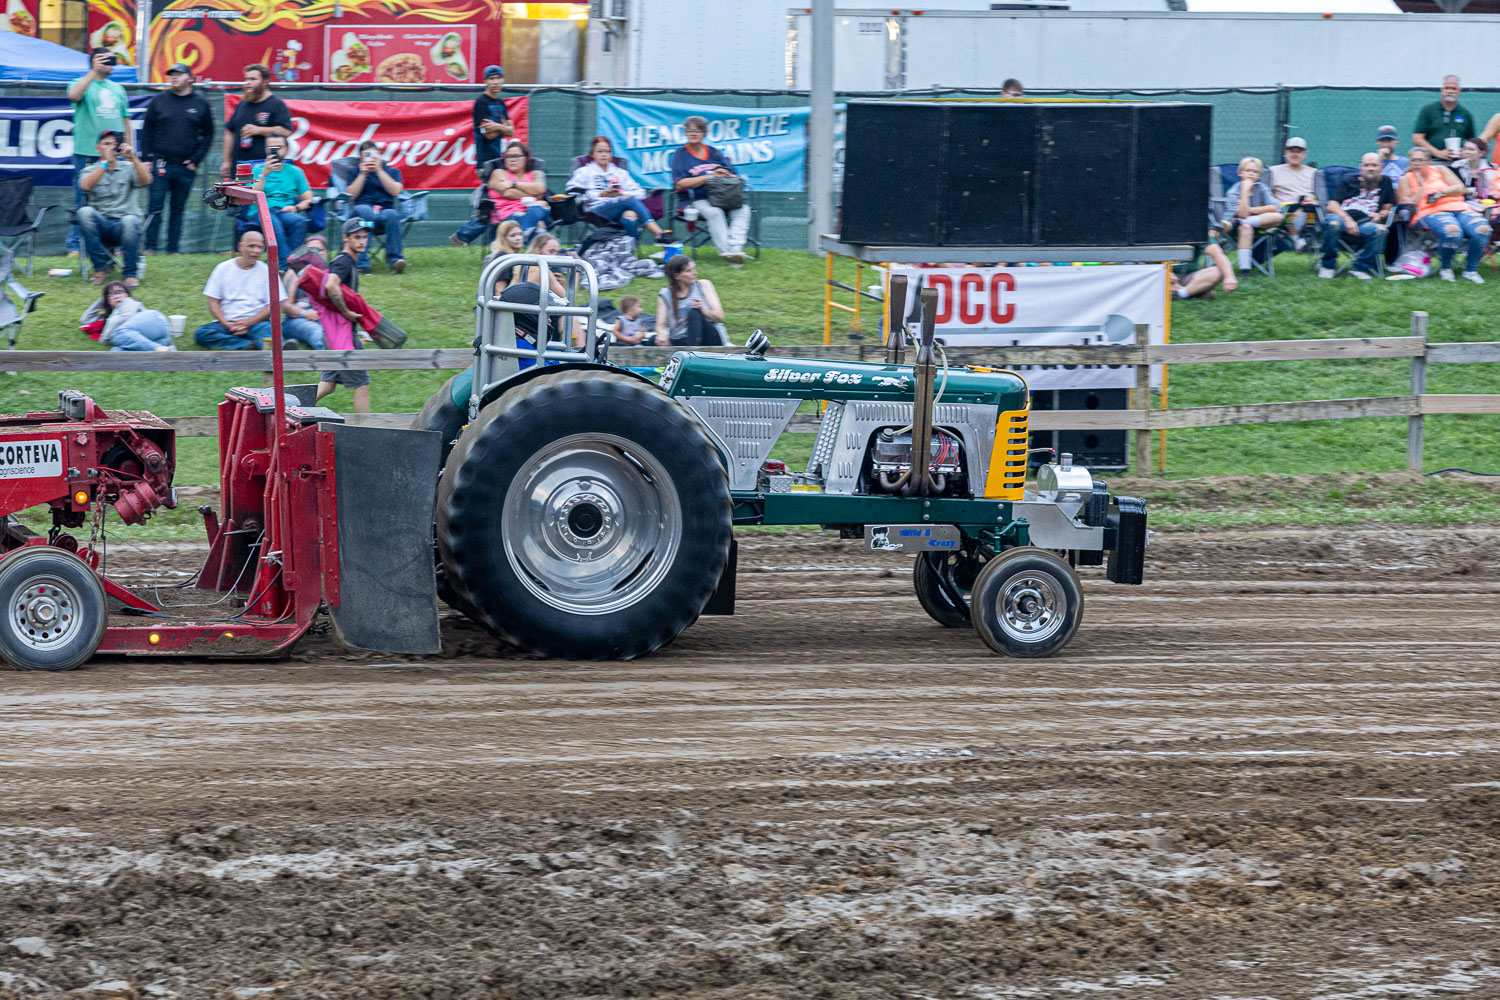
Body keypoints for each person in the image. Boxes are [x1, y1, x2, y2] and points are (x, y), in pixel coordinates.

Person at [194, 229, 324, 349]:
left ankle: (277, 349)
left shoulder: (267, 271)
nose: (256, 251)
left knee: (269, 335)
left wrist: (248, 323)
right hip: (226, 323)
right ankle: (246, 345)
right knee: (202, 333)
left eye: (260, 247)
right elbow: (213, 302)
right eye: (251, 246)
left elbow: (275, 305)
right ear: (240, 247)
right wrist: (227, 324)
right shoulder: (222, 268)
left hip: (258, 323)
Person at [141, 62, 214, 255]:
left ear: (190, 78)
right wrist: (147, 159)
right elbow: (147, 131)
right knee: (154, 207)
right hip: (160, 163)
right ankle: (150, 247)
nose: (174, 77)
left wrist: (195, 160)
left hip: (185, 167)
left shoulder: (200, 104)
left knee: (178, 209)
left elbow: (208, 135)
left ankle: (173, 249)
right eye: (171, 74)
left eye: (179, 74)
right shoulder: (159, 100)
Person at [67, 47, 132, 257]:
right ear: (93, 62)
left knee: (118, 199)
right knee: (82, 199)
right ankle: (75, 246)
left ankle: (117, 245)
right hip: (87, 152)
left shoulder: (118, 88)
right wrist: (93, 72)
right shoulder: (83, 83)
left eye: (111, 59)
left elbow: (125, 120)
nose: (108, 62)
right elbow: (74, 95)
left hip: (114, 154)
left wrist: (129, 148)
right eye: (103, 59)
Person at [1398, 146, 1490, 284]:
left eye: (1421, 160)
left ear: (1428, 161)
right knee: (1452, 231)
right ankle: (1445, 268)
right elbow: (1406, 203)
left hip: (1459, 208)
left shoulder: (1440, 169)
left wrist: (1442, 193)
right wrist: (1422, 187)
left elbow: (1460, 188)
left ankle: (1471, 270)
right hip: (1428, 212)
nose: (1417, 163)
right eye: (1413, 160)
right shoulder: (1405, 178)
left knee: (1483, 229)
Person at [670, 115, 751, 266]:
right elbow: (679, 184)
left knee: (743, 209)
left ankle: (735, 248)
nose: (693, 134)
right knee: (714, 212)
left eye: (697, 131)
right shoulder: (680, 154)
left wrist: (724, 173)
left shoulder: (714, 152)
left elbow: (733, 175)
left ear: (704, 134)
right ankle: (731, 256)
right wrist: (708, 177)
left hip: (722, 197)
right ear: (685, 133)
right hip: (695, 199)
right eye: (690, 130)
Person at [77, 130, 150, 287]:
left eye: (114, 144)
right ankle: (100, 270)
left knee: (131, 220)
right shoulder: (90, 170)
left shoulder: (129, 167)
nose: (111, 147)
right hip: (101, 226)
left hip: (124, 225)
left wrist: (133, 157)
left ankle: (130, 274)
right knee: (84, 212)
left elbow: (146, 181)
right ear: (98, 149)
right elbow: (86, 186)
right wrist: (105, 164)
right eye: (107, 144)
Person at [567, 136, 671, 242]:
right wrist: (600, 194)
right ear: (592, 154)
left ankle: (629, 252)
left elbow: (641, 193)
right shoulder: (584, 171)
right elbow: (573, 191)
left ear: (611, 155)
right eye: (600, 151)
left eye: (607, 152)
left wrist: (620, 195)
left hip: (620, 208)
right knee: (628, 200)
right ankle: (658, 234)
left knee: (630, 216)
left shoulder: (620, 172)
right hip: (596, 211)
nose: (604, 155)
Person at [1318, 152, 1394, 280]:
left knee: (1381, 230)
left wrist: (1380, 215)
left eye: (1374, 165)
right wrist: (1347, 219)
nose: (1370, 168)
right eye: (1367, 165)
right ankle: (1328, 266)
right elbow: (1331, 205)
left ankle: (1360, 267)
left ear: (1381, 167)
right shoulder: (1349, 181)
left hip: (1365, 223)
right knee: (1333, 224)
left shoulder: (1386, 182)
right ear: (1361, 167)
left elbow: (1387, 208)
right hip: (1342, 218)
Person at [220, 63, 292, 181]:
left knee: (260, 199)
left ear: (265, 82)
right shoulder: (242, 104)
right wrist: (225, 161)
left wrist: (258, 130)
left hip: (264, 168)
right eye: (246, 79)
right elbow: (230, 132)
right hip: (240, 167)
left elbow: (286, 131)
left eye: (253, 79)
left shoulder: (276, 105)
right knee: (237, 199)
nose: (248, 82)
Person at [346, 139, 407, 273]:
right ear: (361, 157)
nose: (370, 158)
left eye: (373, 154)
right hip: (361, 216)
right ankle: (362, 265)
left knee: (392, 214)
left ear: (380, 155)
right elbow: (351, 195)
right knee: (365, 210)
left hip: (382, 217)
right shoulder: (355, 173)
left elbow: (396, 191)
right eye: (366, 155)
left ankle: (395, 261)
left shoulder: (392, 172)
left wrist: (379, 170)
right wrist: (363, 174)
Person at [250, 135, 314, 251]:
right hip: (260, 210)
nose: (275, 151)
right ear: (266, 150)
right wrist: (264, 174)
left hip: (284, 211)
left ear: (286, 149)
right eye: (271, 148)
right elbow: (252, 196)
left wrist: (295, 208)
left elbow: (308, 199)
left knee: (299, 222)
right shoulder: (257, 170)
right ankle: (284, 266)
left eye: (278, 147)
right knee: (275, 225)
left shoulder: (295, 172)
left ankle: (293, 262)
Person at [1219, 156, 1282, 274]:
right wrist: (1244, 192)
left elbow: (1275, 207)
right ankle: (1245, 270)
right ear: (1240, 173)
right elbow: (1241, 214)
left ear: (1258, 176)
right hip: (1234, 226)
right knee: (1246, 228)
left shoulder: (1262, 188)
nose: (1251, 174)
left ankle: (1246, 222)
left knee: (1278, 217)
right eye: (1248, 171)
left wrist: (1251, 209)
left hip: (1254, 222)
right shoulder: (1234, 191)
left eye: (1255, 172)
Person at [79, 280, 175, 351]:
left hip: (155, 321)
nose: (116, 296)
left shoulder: (129, 302)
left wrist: (105, 338)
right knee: (116, 351)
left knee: (117, 335)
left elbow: (126, 317)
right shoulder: (113, 316)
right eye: (111, 295)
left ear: (127, 294)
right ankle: (165, 349)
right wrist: (103, 299)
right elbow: (86, 319)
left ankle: (158, 349)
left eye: (119, 292)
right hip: (154, 336)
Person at [654, 256, 728, 347]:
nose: (695, 273)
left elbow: (720, 317)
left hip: (708, 339)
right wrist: (662, 334)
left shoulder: (703, 285)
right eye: (689, 271)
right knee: (652, 340)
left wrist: (703, 311)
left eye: (694, 269)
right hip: (680, 340)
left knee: (694, 312)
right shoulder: (665, 294)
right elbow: (660, 325)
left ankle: (692, 353)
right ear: (677, 276)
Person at [1268, 138, 1317, 250]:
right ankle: (1297, 240)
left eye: (1298, 151)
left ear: (1304, 154)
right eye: (1292, 151)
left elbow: (1318, 195)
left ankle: (1297, 240)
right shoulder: (1273, 171)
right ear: (1285, 153)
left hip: (1308, 212)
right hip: (1281, 210)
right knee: (1290, 212)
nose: (1295, 154)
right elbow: (1267, 194)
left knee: (1308, 209)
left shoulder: (1313, 173)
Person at [1413, 75, 1475, 164]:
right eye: (1447, 88)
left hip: (1458, 163)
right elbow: (1417, 139)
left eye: (1454, 89)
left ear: (1459, 92)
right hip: (1432, 162)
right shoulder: (1428, 110)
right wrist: (1438, 153)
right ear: (1442, 90)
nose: (1450, 91)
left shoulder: (1465, 114)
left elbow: (1472, 142)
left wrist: (1464, 150)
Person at [472, 65, 513, 175]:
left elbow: (511, 132)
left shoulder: (501, 102)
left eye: (498, 78)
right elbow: (487, 134)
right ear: (485, 81)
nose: (496, 82)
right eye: (492, 78)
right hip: (484, 162)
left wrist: (496, 126)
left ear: (503, 80)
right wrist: (503, 126)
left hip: (498, 159)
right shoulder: (481, 102)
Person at [1171, 243, 1236, 300]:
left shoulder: (1197, 231)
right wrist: (1166, 272)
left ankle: (1180, 293)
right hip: (1165, 274)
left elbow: (1215, 251)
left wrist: (1229, 277)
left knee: (1219, 271)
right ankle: (1196, 291)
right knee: (1163, 276)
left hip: (1191, 277)